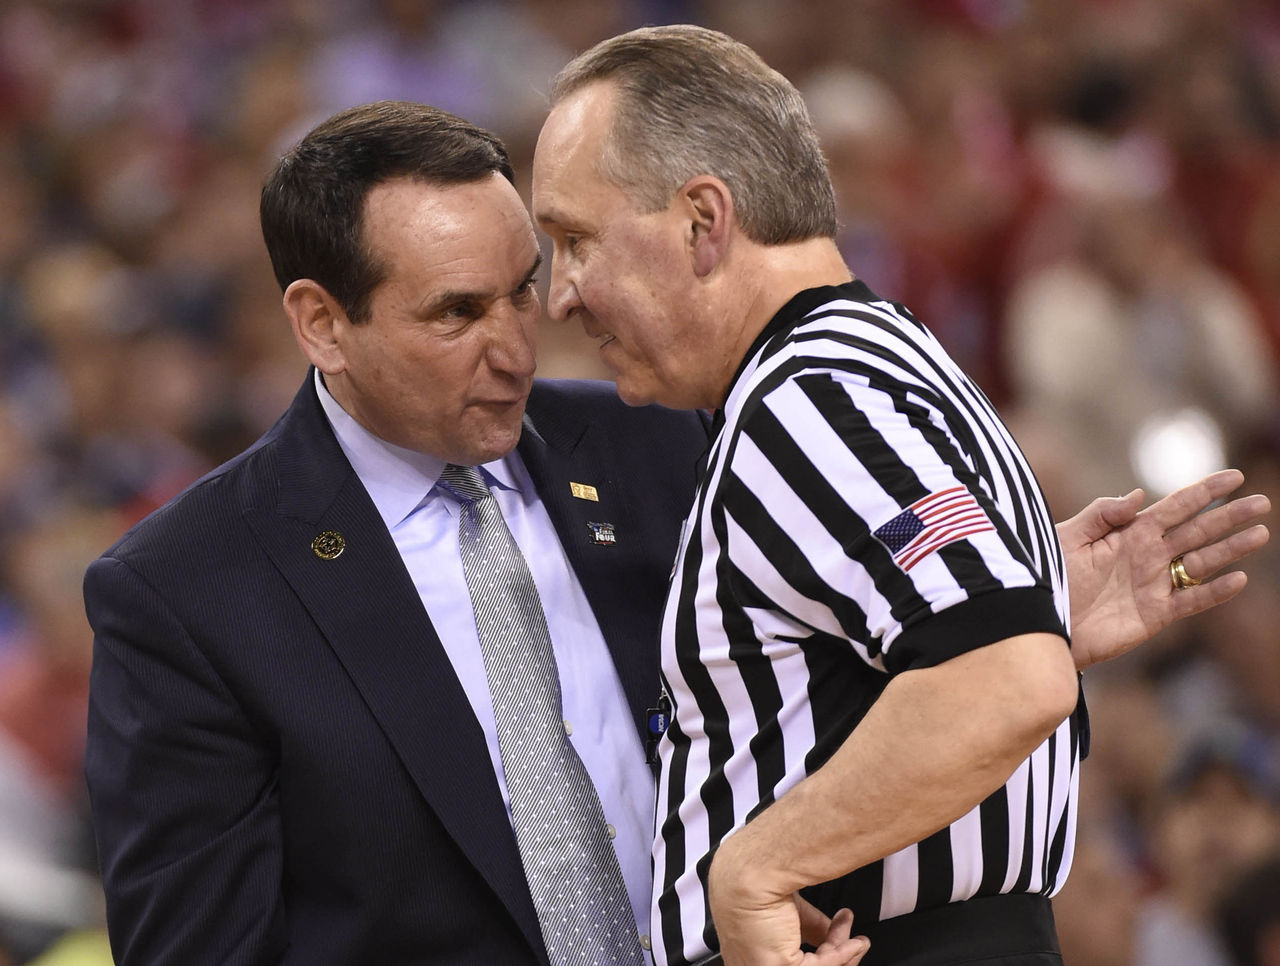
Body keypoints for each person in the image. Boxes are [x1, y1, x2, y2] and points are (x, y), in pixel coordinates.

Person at [83, 99, 1266, 966]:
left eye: (521, 286)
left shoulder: (659, 442)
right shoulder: (187, 592)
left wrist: (1007, 611)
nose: (518, 341)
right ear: (319, 323)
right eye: (455, 313)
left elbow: (781, 702)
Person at [531, 24, 1271, 966]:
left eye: (577, 241)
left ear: (703, 222)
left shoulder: (807, 398)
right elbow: (986, 658)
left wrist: (753, 869)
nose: (560, 295)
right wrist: (1029, 613)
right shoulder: (885, 354)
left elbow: (1009, 676)